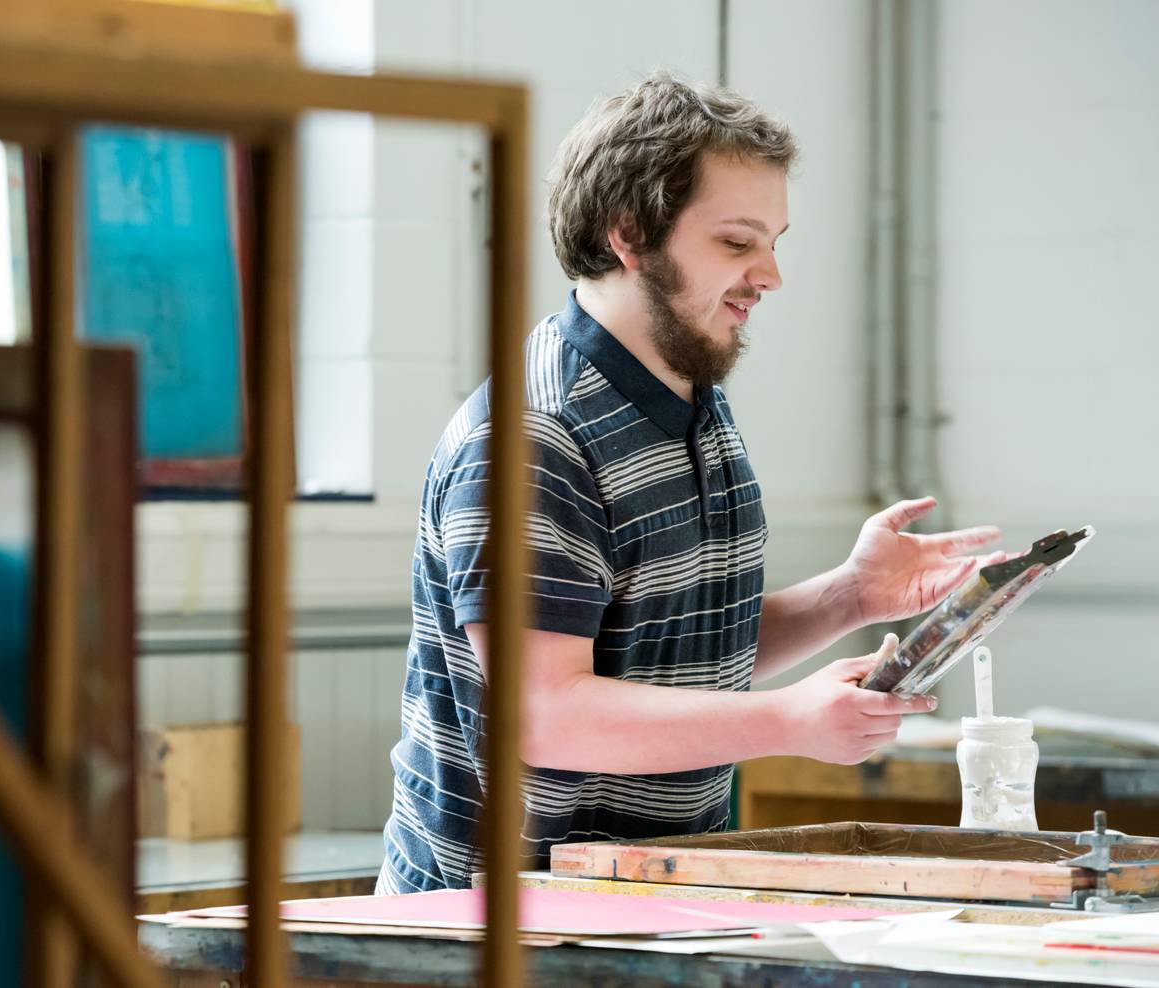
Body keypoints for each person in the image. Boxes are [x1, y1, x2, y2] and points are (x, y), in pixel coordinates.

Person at [375, 72, 1001, 895]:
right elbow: (547, 712)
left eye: (775, 241)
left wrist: (847, 598)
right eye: (738, 244)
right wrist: (786, 721)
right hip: (490, 928)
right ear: (630, 233)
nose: (769, 275)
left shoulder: (695, 398)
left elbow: (668, 650)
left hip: (643, 900)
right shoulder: (537, 437)